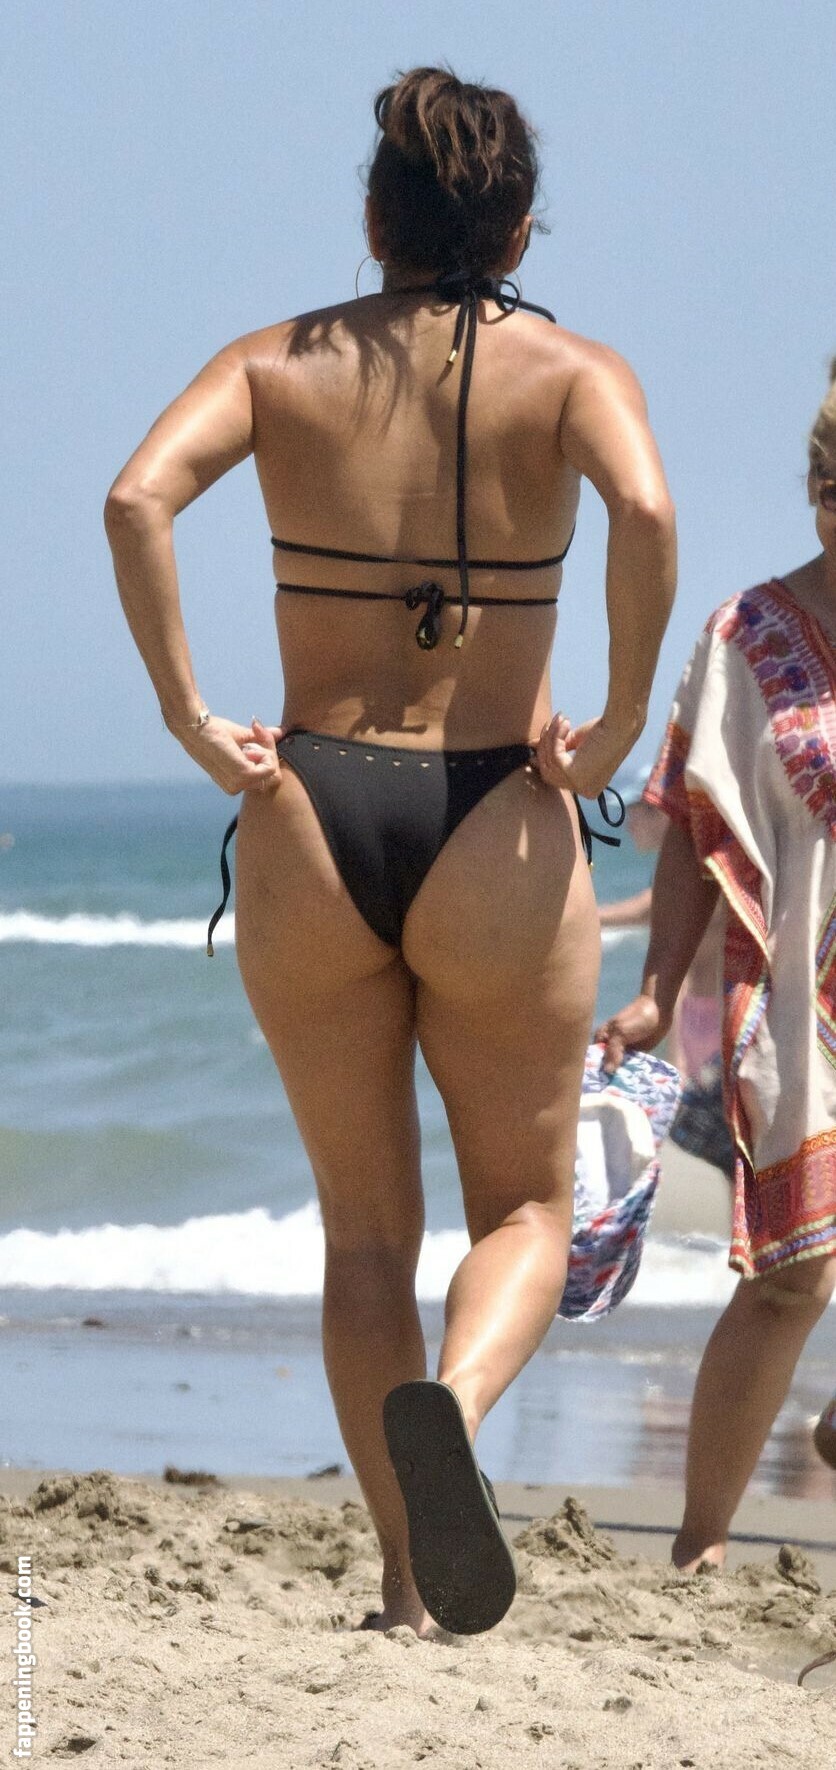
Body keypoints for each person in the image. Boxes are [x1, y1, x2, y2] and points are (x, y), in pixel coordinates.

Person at [105, 66, 675, 1635]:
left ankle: (407, 1582)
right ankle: (460, 1415)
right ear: (520, 224)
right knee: (527, 1213)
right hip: (500, 811)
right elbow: (643, 510)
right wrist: (620, 719)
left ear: (375, 218)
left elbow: (137, 497)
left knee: (365, 1235)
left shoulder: (276, 362)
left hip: (309, 807)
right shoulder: (577, 371)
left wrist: (188, 717)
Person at [598, 361, 836, 1570]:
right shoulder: (746, 634)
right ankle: (697, 1550)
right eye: (829, 487)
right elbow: (696, 829)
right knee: (793, 1278)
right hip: (801, 1001)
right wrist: (654, 989)